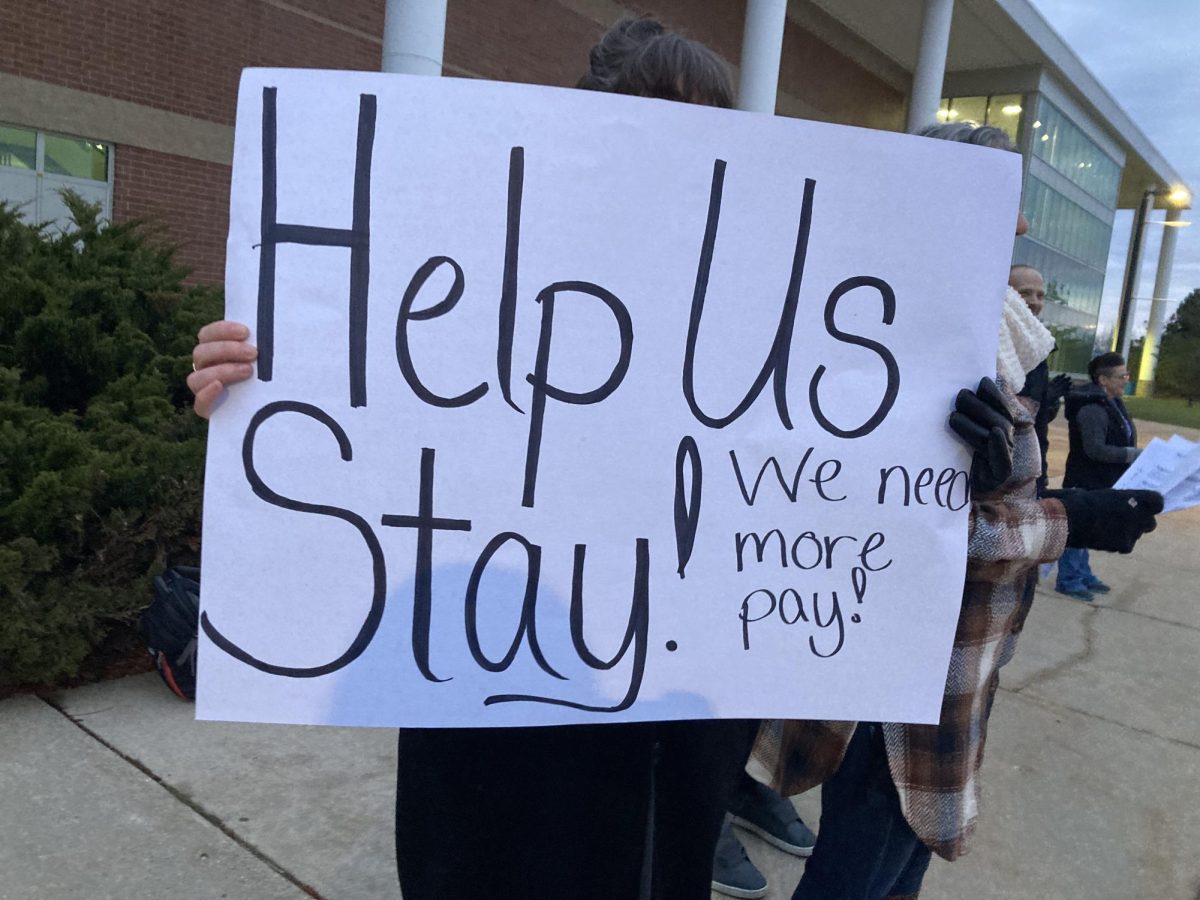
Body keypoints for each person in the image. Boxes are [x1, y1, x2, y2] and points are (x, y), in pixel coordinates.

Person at [189, 17, 761, 900]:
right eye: (644, 128)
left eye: (698, 136)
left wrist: (960, 460)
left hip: (663, 741)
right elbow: (367, 409)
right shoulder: (467, 252)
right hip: (490, 723)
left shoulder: (756, 307)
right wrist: (252, 382)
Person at [758, 124, 1163, 900]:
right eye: (997, 200)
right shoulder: (880, 333)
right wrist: (1074, 517)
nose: (1017, 227)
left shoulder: (993, 334)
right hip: (899, 687)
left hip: (960, 665)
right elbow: (903, 528)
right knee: (857, 876)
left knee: (892, 872)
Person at [1054, 351, 1141, 601]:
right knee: (1078, 528)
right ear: (1102, 380)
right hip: (1085, 478)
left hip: (1102, 479)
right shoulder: (1092, 408)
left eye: (1127, 374)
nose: (1126, 380)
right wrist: (1132, 454)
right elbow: (1095, 449)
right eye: (1121, 376)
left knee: (1090, 527)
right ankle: (1069, 579)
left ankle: (1083, 574)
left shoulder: (1111, 402)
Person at [1010, 264, 1073, 496]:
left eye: (1040, 295)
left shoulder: (1039, 352)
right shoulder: (994, 345)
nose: (1035, 301)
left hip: (1027, 475)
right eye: (1025, 292)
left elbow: (1038, 427)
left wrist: (1049, 403)